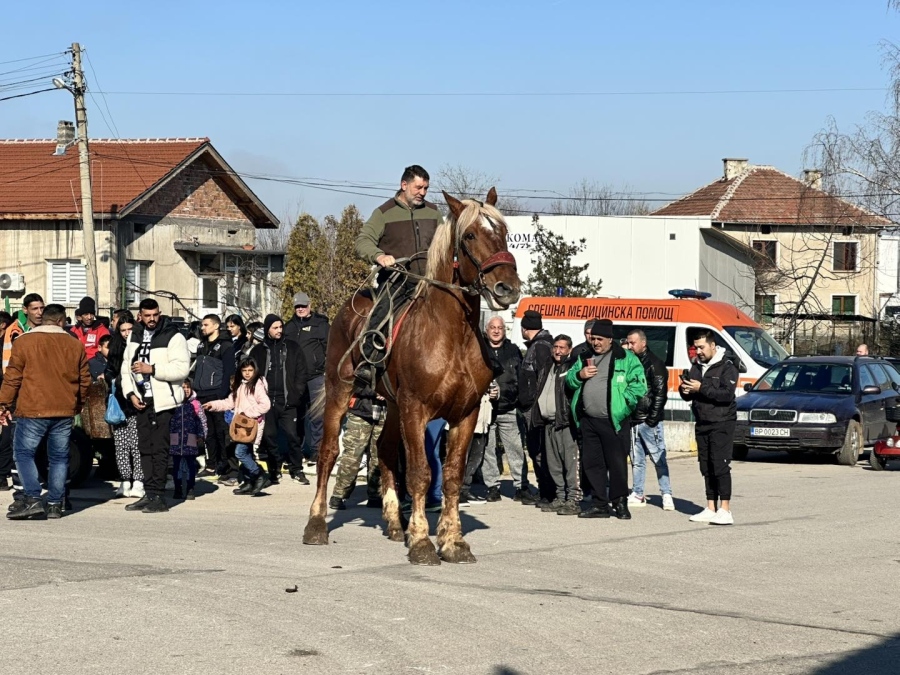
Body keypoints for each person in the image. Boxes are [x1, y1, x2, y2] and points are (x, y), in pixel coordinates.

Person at [353, 165, 443, 387]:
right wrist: (379, 256)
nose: (423, 192)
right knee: (382, 311)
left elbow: (446, 244)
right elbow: (362, 241)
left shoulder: (434, 212)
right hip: (397, 281)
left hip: (431, 282)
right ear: (404, 185)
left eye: (426, 188)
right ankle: (368, 362)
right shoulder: (383, 213)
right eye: (418, 187)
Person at [0, 303, 91, 520]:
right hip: (64, 409)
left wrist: (3, 403)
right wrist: (77, 404)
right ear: (61, 321)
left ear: (44, 319)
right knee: (59, 457)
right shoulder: (75, 344)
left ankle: (32, 498)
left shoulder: (24, 342)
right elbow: (84, 380)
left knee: (23, 454)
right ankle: (54, 504)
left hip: (32, 407)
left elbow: (13, 377)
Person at [565, 319, 647, 520]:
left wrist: (622, 408)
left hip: (614, 421)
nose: (595, 343)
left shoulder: (625, 358)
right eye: (593, 339)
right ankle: (599, 504)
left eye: (600, 339)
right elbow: (569, 380)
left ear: (610, 339)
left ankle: (620, 503)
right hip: (589, 421)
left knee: (617, 464)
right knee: (592, 464)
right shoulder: (584, 357)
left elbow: (639, 387)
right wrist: (580, 375)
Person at [120, 298, 190, 514]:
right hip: (141, 400)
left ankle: (159, 496)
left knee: (159, 449)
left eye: (155, 315)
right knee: (144, 449)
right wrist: (130, 393)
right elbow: (126, 367)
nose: (151, 319)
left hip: (163, 401)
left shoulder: (174, 335)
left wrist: (153, 369)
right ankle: (149, 493)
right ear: (140, 315)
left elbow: (181, 369)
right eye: (147, 315)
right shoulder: (136, 334)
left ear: (160, 314)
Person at [680, 330, 738, 526]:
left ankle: (725, 509)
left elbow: (726, 395)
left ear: (713, 346)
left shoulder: (727, 367)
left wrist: (701, 387)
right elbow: (690, 393)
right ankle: (710, 507)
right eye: (696, 348)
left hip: (722, 422)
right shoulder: (696, 366)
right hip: (702, 422)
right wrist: (685, 390)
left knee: (720, 465)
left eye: (702, 347)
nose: (698, 351)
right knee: (706, 466)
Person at [250, 314, 309, 485]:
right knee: (269, 436)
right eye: (275, 328)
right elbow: (250, 373)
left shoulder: (292, 347)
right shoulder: (258, 350)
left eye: (280, 327)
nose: (279, 331)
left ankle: (297, 469)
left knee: (292, 435)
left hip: (288, 401)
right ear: (267, 329)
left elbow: (301, 372)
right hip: (266, 402)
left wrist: (296, 394)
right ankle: (274, 469)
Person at [479, 316, 533, 503]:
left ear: (504, 330)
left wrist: (521, 401)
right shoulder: (480, 349)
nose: (496, 331)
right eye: (492, 327)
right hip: (486, 409)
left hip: (509, 408)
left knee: (516, 449)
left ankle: (521, 486)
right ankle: (492, 486)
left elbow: (521, 376)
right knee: (488, 450)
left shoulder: (513, 350)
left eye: (499, 328)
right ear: (486, 330)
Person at [204, 357, 272, 496]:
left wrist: (247, 413)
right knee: (245, 453)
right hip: (241, 427)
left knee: (239, 453)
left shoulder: (257, 385)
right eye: (244, 370)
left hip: (250, 427)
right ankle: (248, 482)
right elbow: (229, 402)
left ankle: (259, 474)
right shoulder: (240, 385)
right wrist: (213, 405)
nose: (247, 373)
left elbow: (265, 404)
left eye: (250, 370)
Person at [625, 329, 674, 511]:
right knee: (637, 459)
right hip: (634, 419)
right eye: (628, 343)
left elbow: (660, 394)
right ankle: (638, 493)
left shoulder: (654, 364)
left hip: (649, 420)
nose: (630, 346)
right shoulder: (631, 362)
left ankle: (666, 494)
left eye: (633, 343)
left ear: (643, 343)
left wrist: (651, 419)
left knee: (658, 457)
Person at [536, 335, 581, 515]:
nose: (558, 351)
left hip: (565, 423)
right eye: (555, 347)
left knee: (570, 463)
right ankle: (560, 497)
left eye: (562, 347)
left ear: (569, 349)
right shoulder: (548, 366)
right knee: (553, 464)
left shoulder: (571, 367)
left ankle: (573, 499)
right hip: (548, 423)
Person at [283, 292, 329, 463]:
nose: (300, 309)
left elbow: (329, 348)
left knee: (317, 415)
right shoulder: (289, 327)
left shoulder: (321, 324)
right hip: (295, 379)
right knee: (297, 414)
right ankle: (299, 451)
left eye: (303, 306)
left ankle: (317, 451)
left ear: (310, 305)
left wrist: (326, 369)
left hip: (316, 376)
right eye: (297, 307)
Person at [518, 310, 556, 505]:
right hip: (534, 408)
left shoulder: (539, 347)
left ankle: (548, 494)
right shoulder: (542, 344)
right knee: (538, 451)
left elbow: (542, 380)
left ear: (524, 329)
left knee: (539, 451)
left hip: (536, 411)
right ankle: (545, 492)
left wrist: (532, 405)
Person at [193, 314, 236, 478]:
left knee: (221, 432)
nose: (202, 328)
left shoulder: (225, 346)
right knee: (207, 432)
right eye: (202, 325)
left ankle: (224, 465)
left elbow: (229, 372)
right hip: (202, 393)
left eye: (206, 325)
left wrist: (222, 393)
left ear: (216, 326)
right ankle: (211, 464)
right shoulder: (201, 345)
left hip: (217, 394)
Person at [106, 313, 144, 499]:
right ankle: (125, 479)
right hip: (120, 403)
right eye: (123, 330)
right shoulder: (115, 347)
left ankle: (138, 480)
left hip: (137, 400)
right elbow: (109, 370)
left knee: (137, 443)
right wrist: (113, 379)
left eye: (130, 329)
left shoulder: (140, 345)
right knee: (121, 444)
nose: (127, 333)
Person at [329, 392, 386, 510]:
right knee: (353, 454)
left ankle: (375, 494)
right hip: (360, 411)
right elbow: (352, 383)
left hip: (384, 412)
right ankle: (339, 494)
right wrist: (374, 392)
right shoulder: (358, 372)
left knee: (379, 456)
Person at [170, 378, 207, 500]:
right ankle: (178, 488)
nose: (185, 390)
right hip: (175, 438)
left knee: (191, 464)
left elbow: (201, 421)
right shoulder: (172, 403)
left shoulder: (194, 404)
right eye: (183, 387)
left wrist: (201, 435)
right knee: (176, 465)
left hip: (190, 438)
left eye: (188, 387)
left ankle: (190, 488)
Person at [3, 293, 44, 373]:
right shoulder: (14, 330)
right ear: (25, 310)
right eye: (35, 309)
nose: (40, 313)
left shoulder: (49, 327)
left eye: (42, 308)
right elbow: (7, 359)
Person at [70, 296, 110, 360]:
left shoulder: (102, 330)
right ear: (81, 316)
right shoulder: (74, 330)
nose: (89, 317)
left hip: (96, 364)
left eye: (91, 314)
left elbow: (107, 349)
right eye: (86, 314)